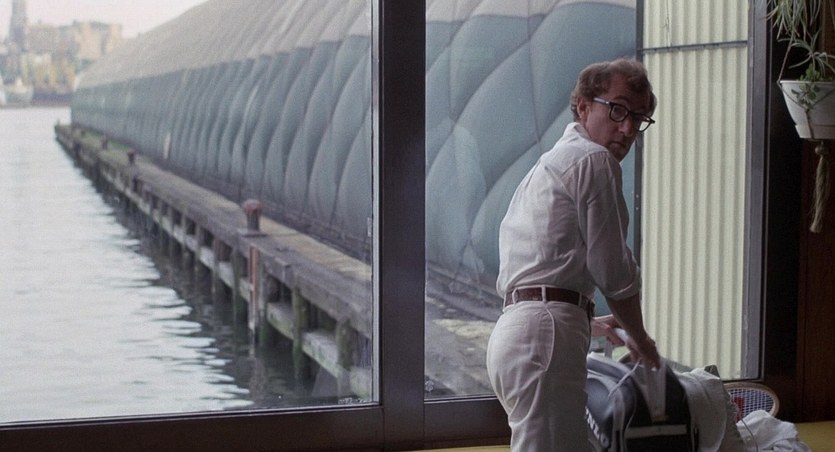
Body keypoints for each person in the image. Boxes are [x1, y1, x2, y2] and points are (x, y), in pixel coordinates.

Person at [485, 58, 661, 451]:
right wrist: (641, 339)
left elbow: (542, 266)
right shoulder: (594, 160)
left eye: (638, 118)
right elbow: (613, 272)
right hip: (544, 337)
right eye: (618, 110)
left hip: (518, 334)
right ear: (583, 106)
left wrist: (584, 318)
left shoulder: (552, 163)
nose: (628, 128)